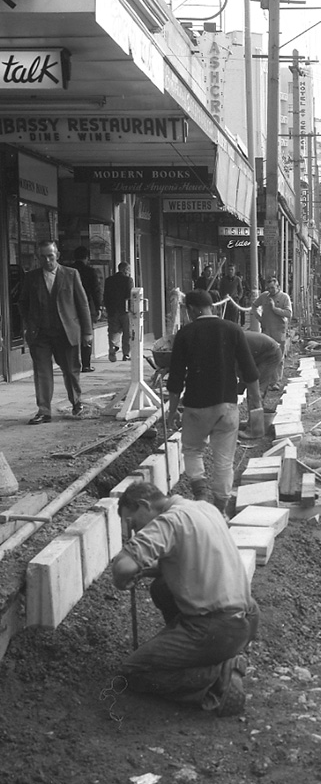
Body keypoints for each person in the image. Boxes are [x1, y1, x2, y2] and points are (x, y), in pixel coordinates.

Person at [112, 482, 259, 717]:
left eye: (134, 523)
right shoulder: (204, 508)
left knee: (133, 673)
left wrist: (121, 578)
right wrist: (146, 571)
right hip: (246, 616)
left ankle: (216, 679)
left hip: (217, 628)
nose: (136, 530)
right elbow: (187, 560)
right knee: (161, 587)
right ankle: (215, 655)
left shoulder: (169, 521)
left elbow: (123, 568)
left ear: (144, 505)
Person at [167, 290, 260, 514]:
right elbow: (250, 372)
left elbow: (176, 378)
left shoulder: (185, 333)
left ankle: (201, 493)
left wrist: (171, 413)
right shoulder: (233, 329)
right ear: (213, 308)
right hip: (226, 405)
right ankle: (220, 508)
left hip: (196, 406)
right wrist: (255, 409)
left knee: (192, 449)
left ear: (191, 310)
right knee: (224, 461)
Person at [17, 240, 93, 424]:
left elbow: (82, 304)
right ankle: (44, 411)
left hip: (66, 332)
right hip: (40, 333)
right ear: (38, 258)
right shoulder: (31, 277)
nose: (47, 260)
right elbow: (22, 302)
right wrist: (29, 323)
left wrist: (87, 332)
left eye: (50, 256)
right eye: (42, 257)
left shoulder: (71, 274)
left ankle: (77, 403)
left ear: (57, 255)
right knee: (42, 371)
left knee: (71, 370)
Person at [251, 276, 293, 384]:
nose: (270, 290)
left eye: (272, 288)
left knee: (278, 357)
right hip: (267, 331)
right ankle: (268, 380)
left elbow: (288, 313)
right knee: (267, 356)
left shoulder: (284, 297)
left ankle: (277, 381)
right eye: (268, 288)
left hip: (279, 331)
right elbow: (254, 305)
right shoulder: (264, 296)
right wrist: (259, 318)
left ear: (278, 287)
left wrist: (274, 309)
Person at [69, 247, 102, 372]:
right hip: (86, 305)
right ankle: (86, 364)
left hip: (69, 306)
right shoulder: (90, 271)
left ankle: (71, 363)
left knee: (71, 334)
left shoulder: (68, 271)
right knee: (86, 334)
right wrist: (99, 307)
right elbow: (96, 290)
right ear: (86, 258)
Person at [241, 330, 283, 407]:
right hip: (259, 353)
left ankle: (257, 415)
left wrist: (242, 382)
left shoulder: (232, 342)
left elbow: (243, 366)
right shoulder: (230, 339)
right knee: (252, 385)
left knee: (256, 387)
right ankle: (257, 411)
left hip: (271, 354)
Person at [103, 261, 133, 362]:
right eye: (129, 270)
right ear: (125, 270)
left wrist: (106, 308)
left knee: (113, 331)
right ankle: (126, 354)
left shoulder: (109, 280)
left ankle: (113, 346)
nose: (129, 272)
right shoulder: (128, 280)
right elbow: (130, 296)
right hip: (125, 311)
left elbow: (105, 296)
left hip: (112, 310)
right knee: (127, 333)